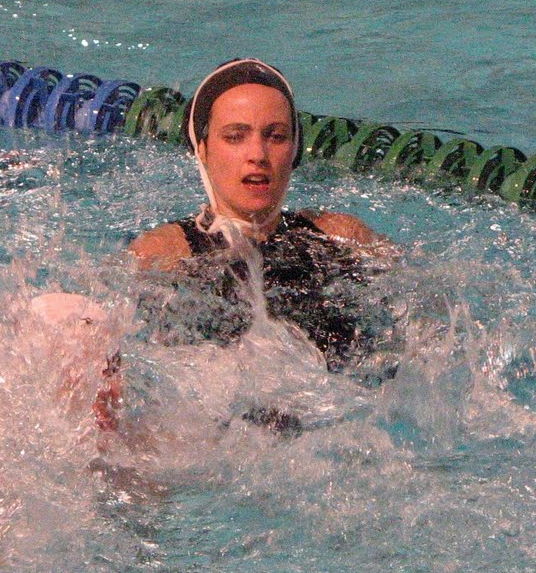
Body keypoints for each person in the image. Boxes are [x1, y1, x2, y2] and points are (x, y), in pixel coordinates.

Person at [129, 58, 393, 373]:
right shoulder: (165, 252)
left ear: (295, 150)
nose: (258, 155)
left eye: (276, 136)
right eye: (235, 136)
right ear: (203, 149)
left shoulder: (341, 237)